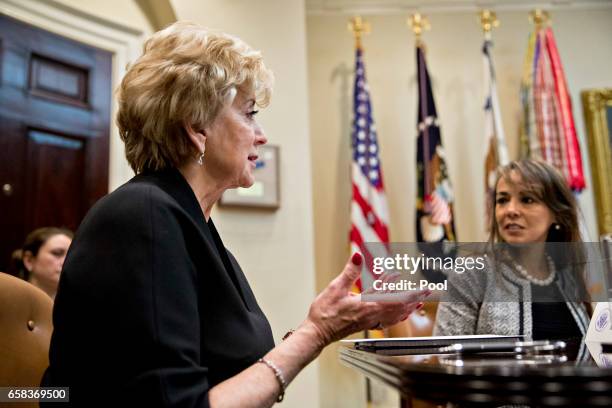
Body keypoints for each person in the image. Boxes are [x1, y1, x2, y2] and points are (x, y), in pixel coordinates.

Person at [41, 22, 429, 407]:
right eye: (249, 113)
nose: (260, 134)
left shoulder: (191, 223)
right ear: (197, 129)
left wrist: (327, 321)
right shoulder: (143, 217)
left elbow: (234, 367)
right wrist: (316, 332)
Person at [434, 159, 590, 340]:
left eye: (527, 199)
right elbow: (444, 355)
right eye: (502, 200)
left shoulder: (570, 275)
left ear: (557, 214)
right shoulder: (470, 274)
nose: (511, 210)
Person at [11, 227, 73, 300]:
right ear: (29, 260)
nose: (67, 261)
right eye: (57, 253)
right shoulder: (8, 300)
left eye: (71, 255)